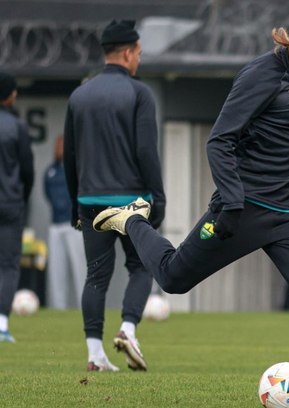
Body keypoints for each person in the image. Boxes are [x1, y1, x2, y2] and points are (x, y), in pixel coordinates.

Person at [92, 1, 289, 407]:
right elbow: (220, 141)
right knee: (173, 279)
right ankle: (133, 221)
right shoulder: (260, 75)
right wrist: (232, 203)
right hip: (242, 209)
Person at [63, 20, 166, 372]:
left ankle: (94, 354)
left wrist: (74, 202)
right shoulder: (140, 94)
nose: (139, 59)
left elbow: (71, 156)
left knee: (96, 276)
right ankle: (128, 329)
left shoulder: (79, 95)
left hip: (89, 201)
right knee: (141, 266)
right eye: (138, 52)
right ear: (127, 52)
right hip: (131, 201)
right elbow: (146, 151)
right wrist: (159, 198)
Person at [0, 72, 34, 343]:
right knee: (9, 265)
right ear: (11, 95)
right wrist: (24, 197)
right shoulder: (17, 126)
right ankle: (1, 324)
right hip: (10, 203)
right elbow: (28, 170)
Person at [44, 135, 86, 310]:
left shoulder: (77, 168)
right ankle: (58, 308)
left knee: (80, 269)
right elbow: (47, 193)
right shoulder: (50, 171)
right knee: (57, 271)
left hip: (74, 225)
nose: (59, 148)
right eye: (57, 145)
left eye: (62, 145)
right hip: (56, 225)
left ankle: (86, 306)